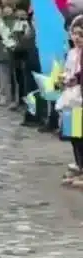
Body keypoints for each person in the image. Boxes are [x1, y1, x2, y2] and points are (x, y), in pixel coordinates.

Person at [61, 17, 83, 188]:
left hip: (80, 98)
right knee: (74, 135)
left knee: (80, 135)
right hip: (72, 99)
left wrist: (75, 79)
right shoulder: (72, 53)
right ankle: (79, 165)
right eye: (75, 34)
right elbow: (68, 70)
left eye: (81, 35)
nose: (77, 38)